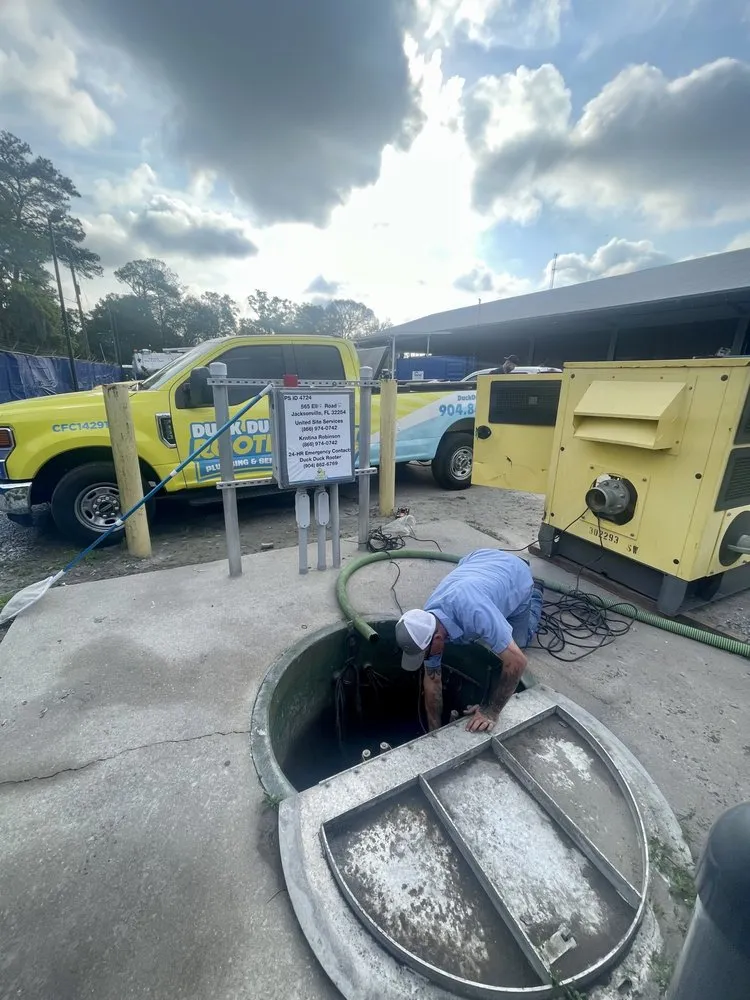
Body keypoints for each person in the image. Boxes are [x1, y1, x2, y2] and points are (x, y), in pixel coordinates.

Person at [394, 549, 544, 734]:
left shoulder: (475, 612)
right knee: (494, 630)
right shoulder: (428, 622)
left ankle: (536, 592)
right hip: (477, 560)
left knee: (520, 641)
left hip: (517, 574)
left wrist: (490, 711)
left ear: (438, 639)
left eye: (425, 654)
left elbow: (517, 662)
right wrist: (434, 732)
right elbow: (433, 682)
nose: (428, 659)